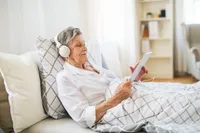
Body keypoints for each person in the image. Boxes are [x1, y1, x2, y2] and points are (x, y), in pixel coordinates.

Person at [56, 27, 200, 132]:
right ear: (65, 52)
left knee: (179, 90)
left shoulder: (90, 64)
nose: (85, 48)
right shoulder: (64, 78)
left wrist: (134, 78)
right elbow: (83, 117)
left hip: (126, 95)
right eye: (78, 45)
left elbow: (112, 82)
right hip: (114, 108)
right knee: (177, 103)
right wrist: (117, 98)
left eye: (84, 43)